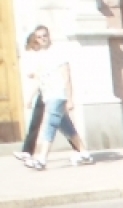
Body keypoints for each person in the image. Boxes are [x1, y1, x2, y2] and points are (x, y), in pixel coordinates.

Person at [22, 25, 94, 170]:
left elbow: (67, 76)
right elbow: (39, 81)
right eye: (39, 37)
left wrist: (70, 99)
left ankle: (41, 159)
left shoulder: (58, 53)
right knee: (67, 128)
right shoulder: (41, 57)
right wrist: (30, 98)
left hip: (58, 95)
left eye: (44, 36)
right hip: (48, 96)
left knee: (49, 126)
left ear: (49, 37)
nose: (42, 39)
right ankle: (85, 153)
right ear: (36, 39)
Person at [13, 29, 46, 163]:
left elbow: (40, 80)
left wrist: (29, 98)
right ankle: (27, 151)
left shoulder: (43, 57)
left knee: (37, 122)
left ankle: (81, 150)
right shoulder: (39, 56)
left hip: (49, 93)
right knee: (38, 122)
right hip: (45, 92)